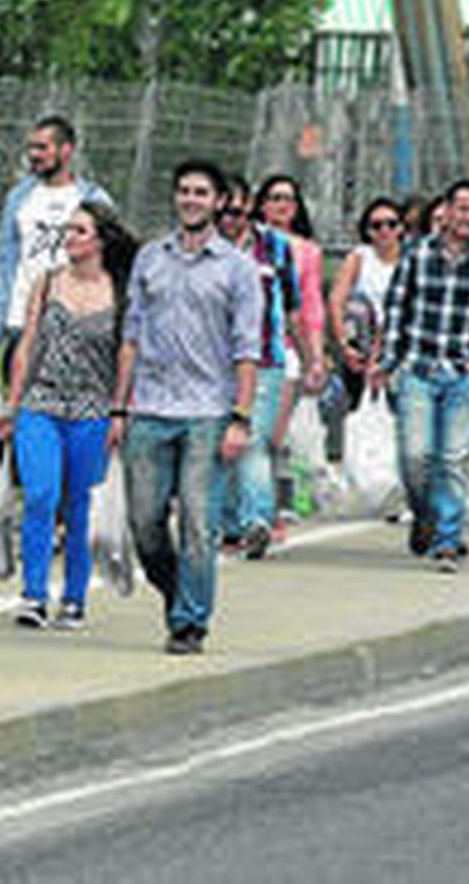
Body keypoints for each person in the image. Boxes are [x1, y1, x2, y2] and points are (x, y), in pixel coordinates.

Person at [110, 159, 262, 656]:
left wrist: (240, 417)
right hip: (151, 407)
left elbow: (246, 349)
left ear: (219, 202)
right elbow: (130, 336)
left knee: (199, 522)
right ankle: (179, 590)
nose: (191, 199)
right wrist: (119, 407)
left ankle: (190, 623)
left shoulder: (238, 268)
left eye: (201, 192)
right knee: (145, 522)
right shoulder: (151, 258)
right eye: (184, 191)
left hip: (208, 411)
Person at [0, 202, 134, 629]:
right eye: (67, 230)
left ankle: (73, 597)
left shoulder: (120, 291)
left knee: (79, 506)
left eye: (79, 230)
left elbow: (127, 355)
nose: (69, 238)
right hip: (42, 404)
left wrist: (119, 410)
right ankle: (33, 593)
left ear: (100, 240)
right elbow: (27, 346)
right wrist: (12, 402)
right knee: (40, 495)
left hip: (92, 409)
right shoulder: (47, 283)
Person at [378, 180, 469, 571]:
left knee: (454, 460)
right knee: (415, 457)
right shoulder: (417, 253)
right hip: (418, 369)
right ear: (446, 210)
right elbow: (396, 307)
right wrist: (390, 360)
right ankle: (425, 514)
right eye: (463, 208)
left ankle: (447, 540)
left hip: (460, 372)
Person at [217, 174, 307, 561]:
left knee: (252, 440)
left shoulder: (274, 247)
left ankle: (257, 520)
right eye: (225, 212)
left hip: (265, 357)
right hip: (212, 361)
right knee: (218, 442)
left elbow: (292, 308)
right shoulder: (202, 246)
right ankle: (229, 522)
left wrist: (311, 357)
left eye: (239, 212)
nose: (231, 220)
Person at [0, 116, 114, 370]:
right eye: (31, 148)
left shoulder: (93, 198)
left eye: (42, 147)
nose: (34, 155)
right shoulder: (19, 197)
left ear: (66, 150)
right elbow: (5, 262)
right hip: (20, 320)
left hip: (72, 322)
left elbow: (108, 262)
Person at [252, 174, 327, 541]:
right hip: (245, 349)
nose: (281, 206)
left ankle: (265, 513)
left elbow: (310, 308)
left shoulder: (306, 251)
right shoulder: (247, 243)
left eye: (288, 199)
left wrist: (316, 356)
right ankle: (246, 510)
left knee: (269, 435)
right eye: (274, 198)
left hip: (285, 350)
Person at [327, 197, 403, 463]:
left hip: (397, 343)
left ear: (401, 228)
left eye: (391, 224)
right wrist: (344, 344)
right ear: (367, 230)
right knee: (357, 307)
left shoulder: (411, 259)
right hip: (362, 339)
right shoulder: (360, 257)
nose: (384, 231)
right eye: (376, 225)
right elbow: (337, 299)